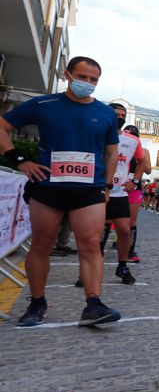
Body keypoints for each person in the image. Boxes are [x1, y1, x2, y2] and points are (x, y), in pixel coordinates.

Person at [0, 56, 122, 327]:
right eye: (82, 77)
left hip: (89, 190)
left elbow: (112, 151)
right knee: (42, 243)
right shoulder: (44, 104)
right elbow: (2, 126)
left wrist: (107, 184)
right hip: (47, 187)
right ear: (68, 75)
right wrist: (20, 161)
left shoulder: (105, 113)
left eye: (93, 80)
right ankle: (36, 303)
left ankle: (93, 304)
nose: (87, 83)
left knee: (90, 244)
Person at [98, 104, 145, 285]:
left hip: (119, 193)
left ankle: (122, 266)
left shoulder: (132, 140)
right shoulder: (97, 134)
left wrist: (134, 181)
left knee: (125, 231)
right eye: (116, 114)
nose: (119, 117)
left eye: (123, 115)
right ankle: (90, 268)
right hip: (98, 190)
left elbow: (142, 162)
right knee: (98, 233)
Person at [123, 125, 151, 262]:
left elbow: (149, 170)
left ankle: (130, 251)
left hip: (135, 184)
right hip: (117, 182)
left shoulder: (144, 150)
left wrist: (143, 160)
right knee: (109, 218)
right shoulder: (118, 144)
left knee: (132, 220)